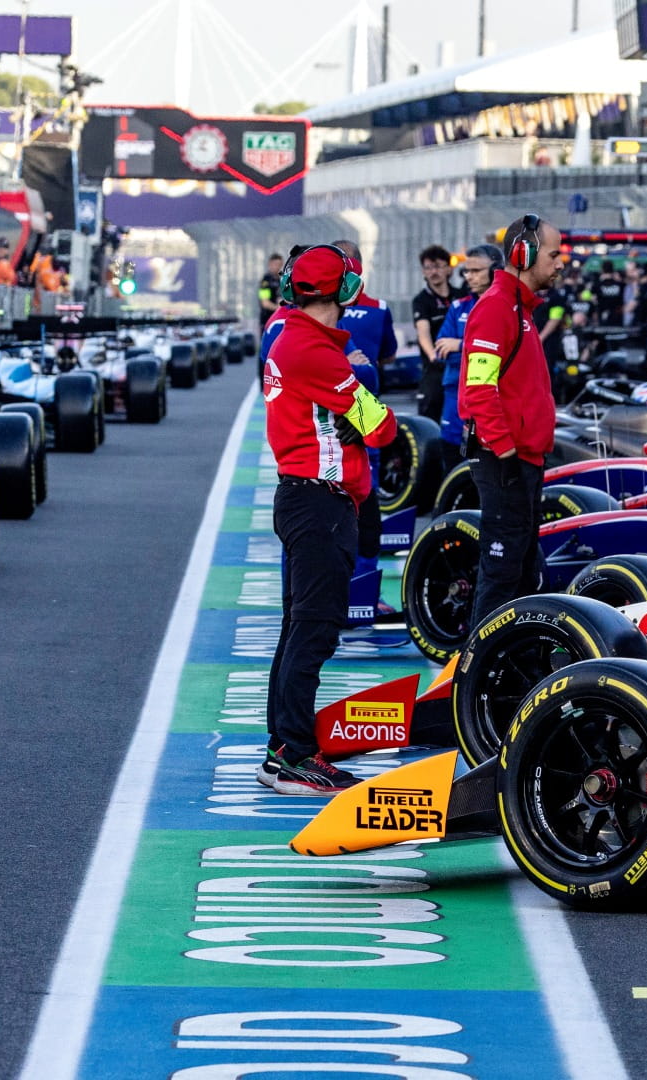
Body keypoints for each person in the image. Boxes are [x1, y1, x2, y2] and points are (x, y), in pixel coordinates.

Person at [259, 244, 399, 795]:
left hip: (306, 499)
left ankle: (283, 749)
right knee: (313, 631)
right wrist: (361, 410)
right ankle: (294, 754)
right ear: (343, 292)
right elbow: (382, 427)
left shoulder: (290, 336)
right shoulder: (314, 350)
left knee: (298, 627)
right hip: (320, 503)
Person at [460, 214, 561, 631]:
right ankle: (477, 664)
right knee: (501, 577)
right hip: (505, 461)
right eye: (553, 255)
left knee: (520, 575)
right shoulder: (497, 308)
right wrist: (504, 450)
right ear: (523, 255)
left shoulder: (519, 309)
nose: (560, 264)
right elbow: (479, 390)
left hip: (523, 459)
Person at [433, 245, 502, 471]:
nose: (469, 276)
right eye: (466, 271)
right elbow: (442, 350)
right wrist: (471, 350)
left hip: (492, 398)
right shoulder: (458, 307)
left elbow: (502, 352)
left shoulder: (507, 307)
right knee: (452, 460)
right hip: (455, 394)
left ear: (496, 270)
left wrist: (460, 345)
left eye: (476, 271)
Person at [412, 244, 457, 421]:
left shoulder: (461, 295)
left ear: (448, 268)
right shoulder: (421, 300)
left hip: (460, 365)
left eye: (437, 266)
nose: (433, 272)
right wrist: (433, 356)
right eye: (428, 268)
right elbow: (423, 332)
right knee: (429, 418)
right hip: (434, 368)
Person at [258, 252, 284, 326]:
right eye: (276, 264)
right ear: (270, 264)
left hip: (280, 318)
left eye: (280, 265)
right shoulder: (266, 281)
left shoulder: (282, 279)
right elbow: (265, 302)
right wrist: (279, 308)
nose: (278, 267)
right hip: (268, 319)